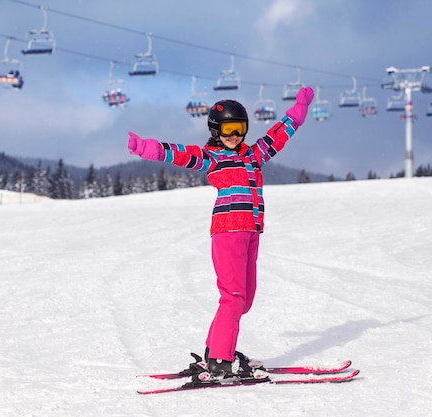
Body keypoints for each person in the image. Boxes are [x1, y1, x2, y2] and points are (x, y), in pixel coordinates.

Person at [127, 87, 314, 382]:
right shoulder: (212, 157)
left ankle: (215, 350)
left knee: (245, 298)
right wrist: (146, 147)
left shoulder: (254, 154)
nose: (234, 135)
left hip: (252, 231)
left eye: (240, 129)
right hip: (228, 232)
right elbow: (180, 154)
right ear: (216, 130)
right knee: (233, 296)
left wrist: (298, 112)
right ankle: (219, 359)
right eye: (228, 129)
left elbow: (278, 136)